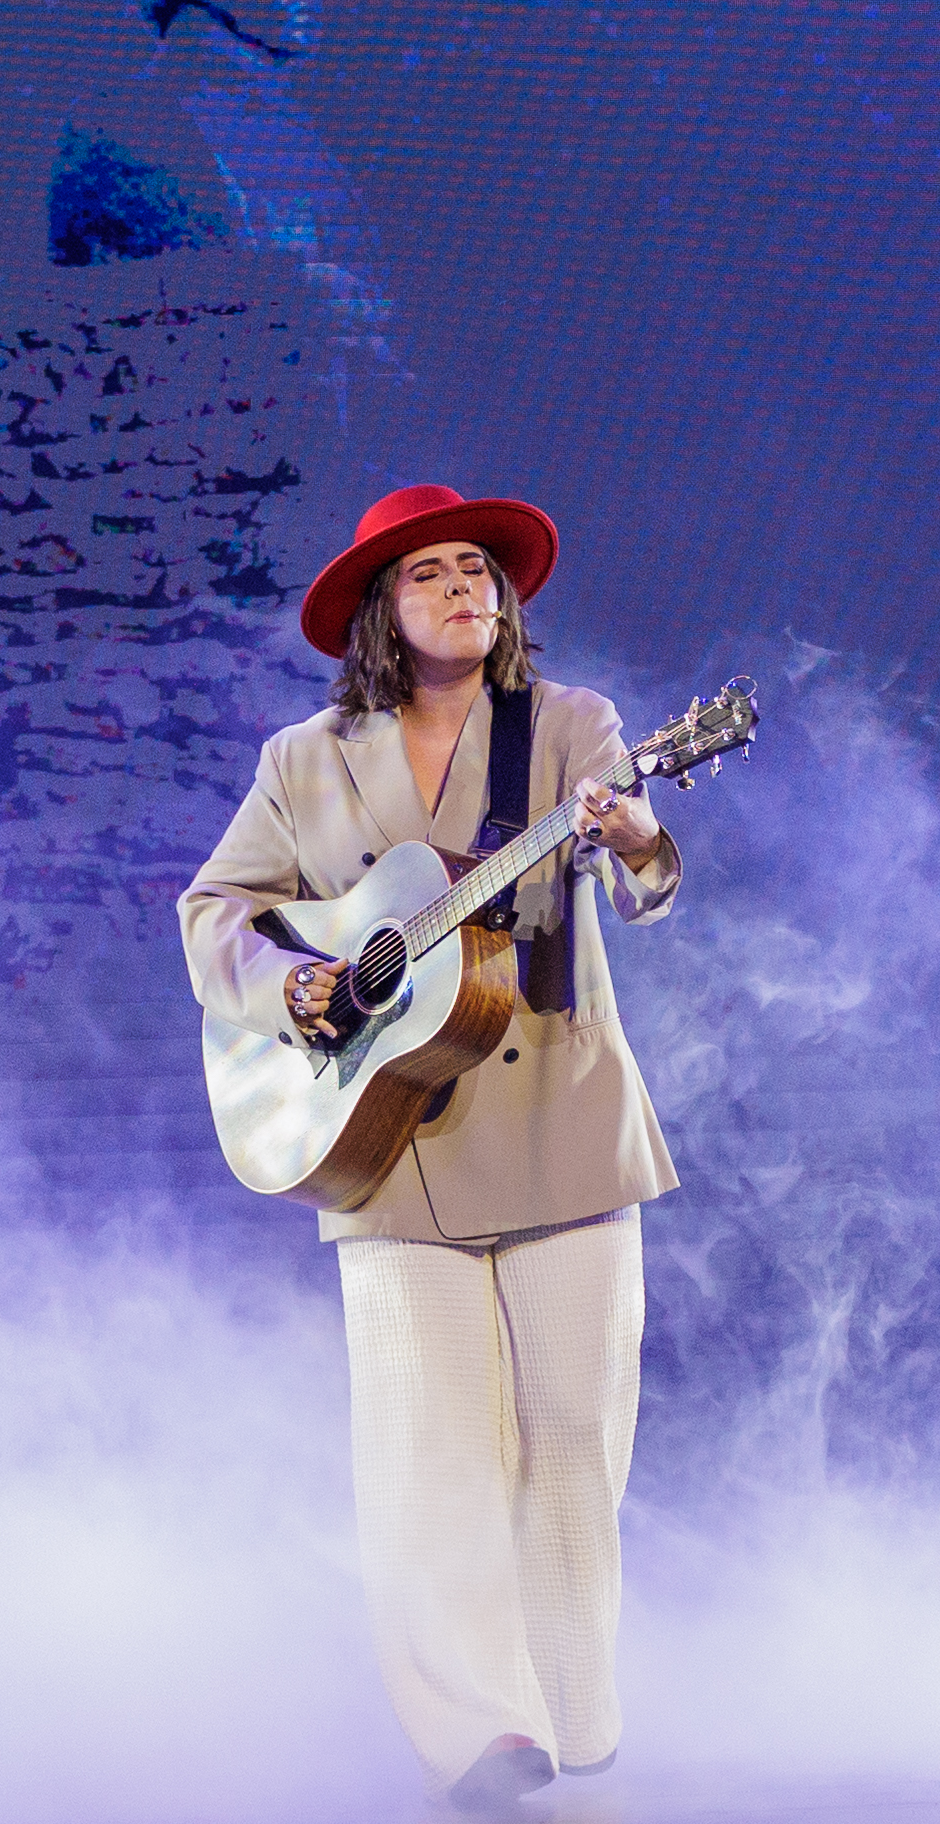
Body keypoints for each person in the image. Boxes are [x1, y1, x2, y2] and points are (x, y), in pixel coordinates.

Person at [177, 483, 684, 1808]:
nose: (465, 587)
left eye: (478, 569)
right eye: (430, 573)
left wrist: (638, 838)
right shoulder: (303, 760)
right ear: (379, 614)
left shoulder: (571, 728)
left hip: (560, 1114)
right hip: (388, 1133)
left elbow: (644, 880)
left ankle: (568, 1705)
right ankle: (477, 1733)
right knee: (425, 1452)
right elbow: (216, 911)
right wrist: (294, 985)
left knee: (572, 1440)